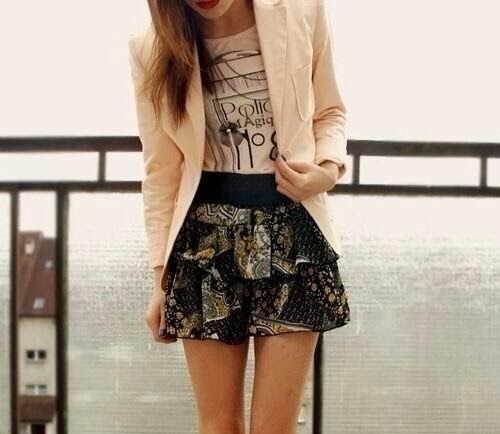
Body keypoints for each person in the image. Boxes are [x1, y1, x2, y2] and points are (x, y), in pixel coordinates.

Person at [128, 0, 351, 432]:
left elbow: (330, 112)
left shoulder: (301, 10)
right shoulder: (151, 46)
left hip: (292, 238)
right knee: (218, 425)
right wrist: (160, 280)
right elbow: (162, 171)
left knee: (274, 427)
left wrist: (324, 172)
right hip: (205, 247)